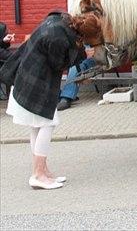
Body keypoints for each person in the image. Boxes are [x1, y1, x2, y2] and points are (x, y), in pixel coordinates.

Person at [1, 12, 90, 189]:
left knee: (36, 126)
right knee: (48, 124)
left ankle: (43, 170)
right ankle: (38, 174)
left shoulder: (56, 21)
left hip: (26, 80)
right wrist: (83, 53)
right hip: (36, 84)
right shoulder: (59, 39)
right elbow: (58, 64)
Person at [56, 46, 96, 111]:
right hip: (77, 55)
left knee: (75, 65)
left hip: (93, 55)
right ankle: (58, 94)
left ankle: (66, 97)